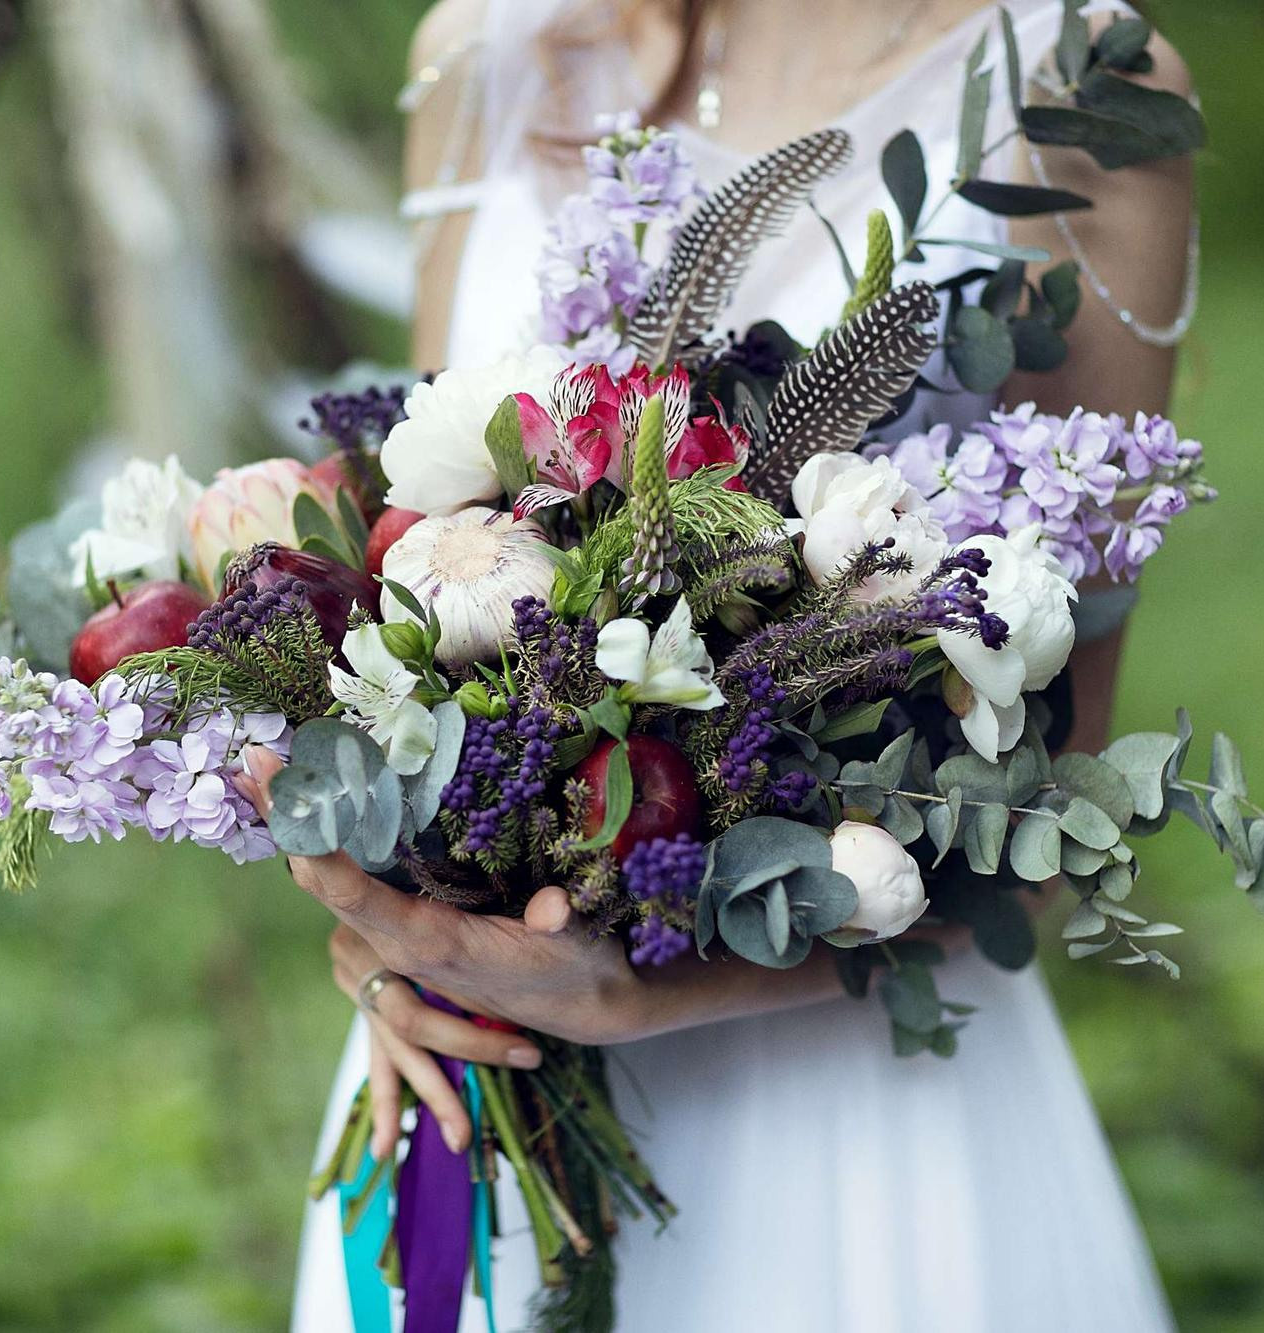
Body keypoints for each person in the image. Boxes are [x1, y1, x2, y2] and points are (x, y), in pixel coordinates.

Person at [273, 2, 1197, 1326]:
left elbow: (1054, 787)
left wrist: (638, 994)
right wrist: (389, 922)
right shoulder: (484, 50)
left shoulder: (1084, 87)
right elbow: (420, 550)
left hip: (847, 1138)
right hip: (461, 1074)